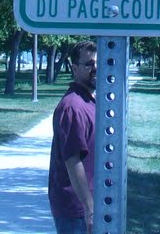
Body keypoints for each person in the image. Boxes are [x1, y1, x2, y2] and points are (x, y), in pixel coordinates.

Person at [49, 40, 97, 234]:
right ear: (75, 68)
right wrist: (89, 209)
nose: (95, 68)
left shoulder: (89, 101)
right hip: (75, 212)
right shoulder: (72, 107)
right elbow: (73, 161)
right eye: (88, 64)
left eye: (97, 63)